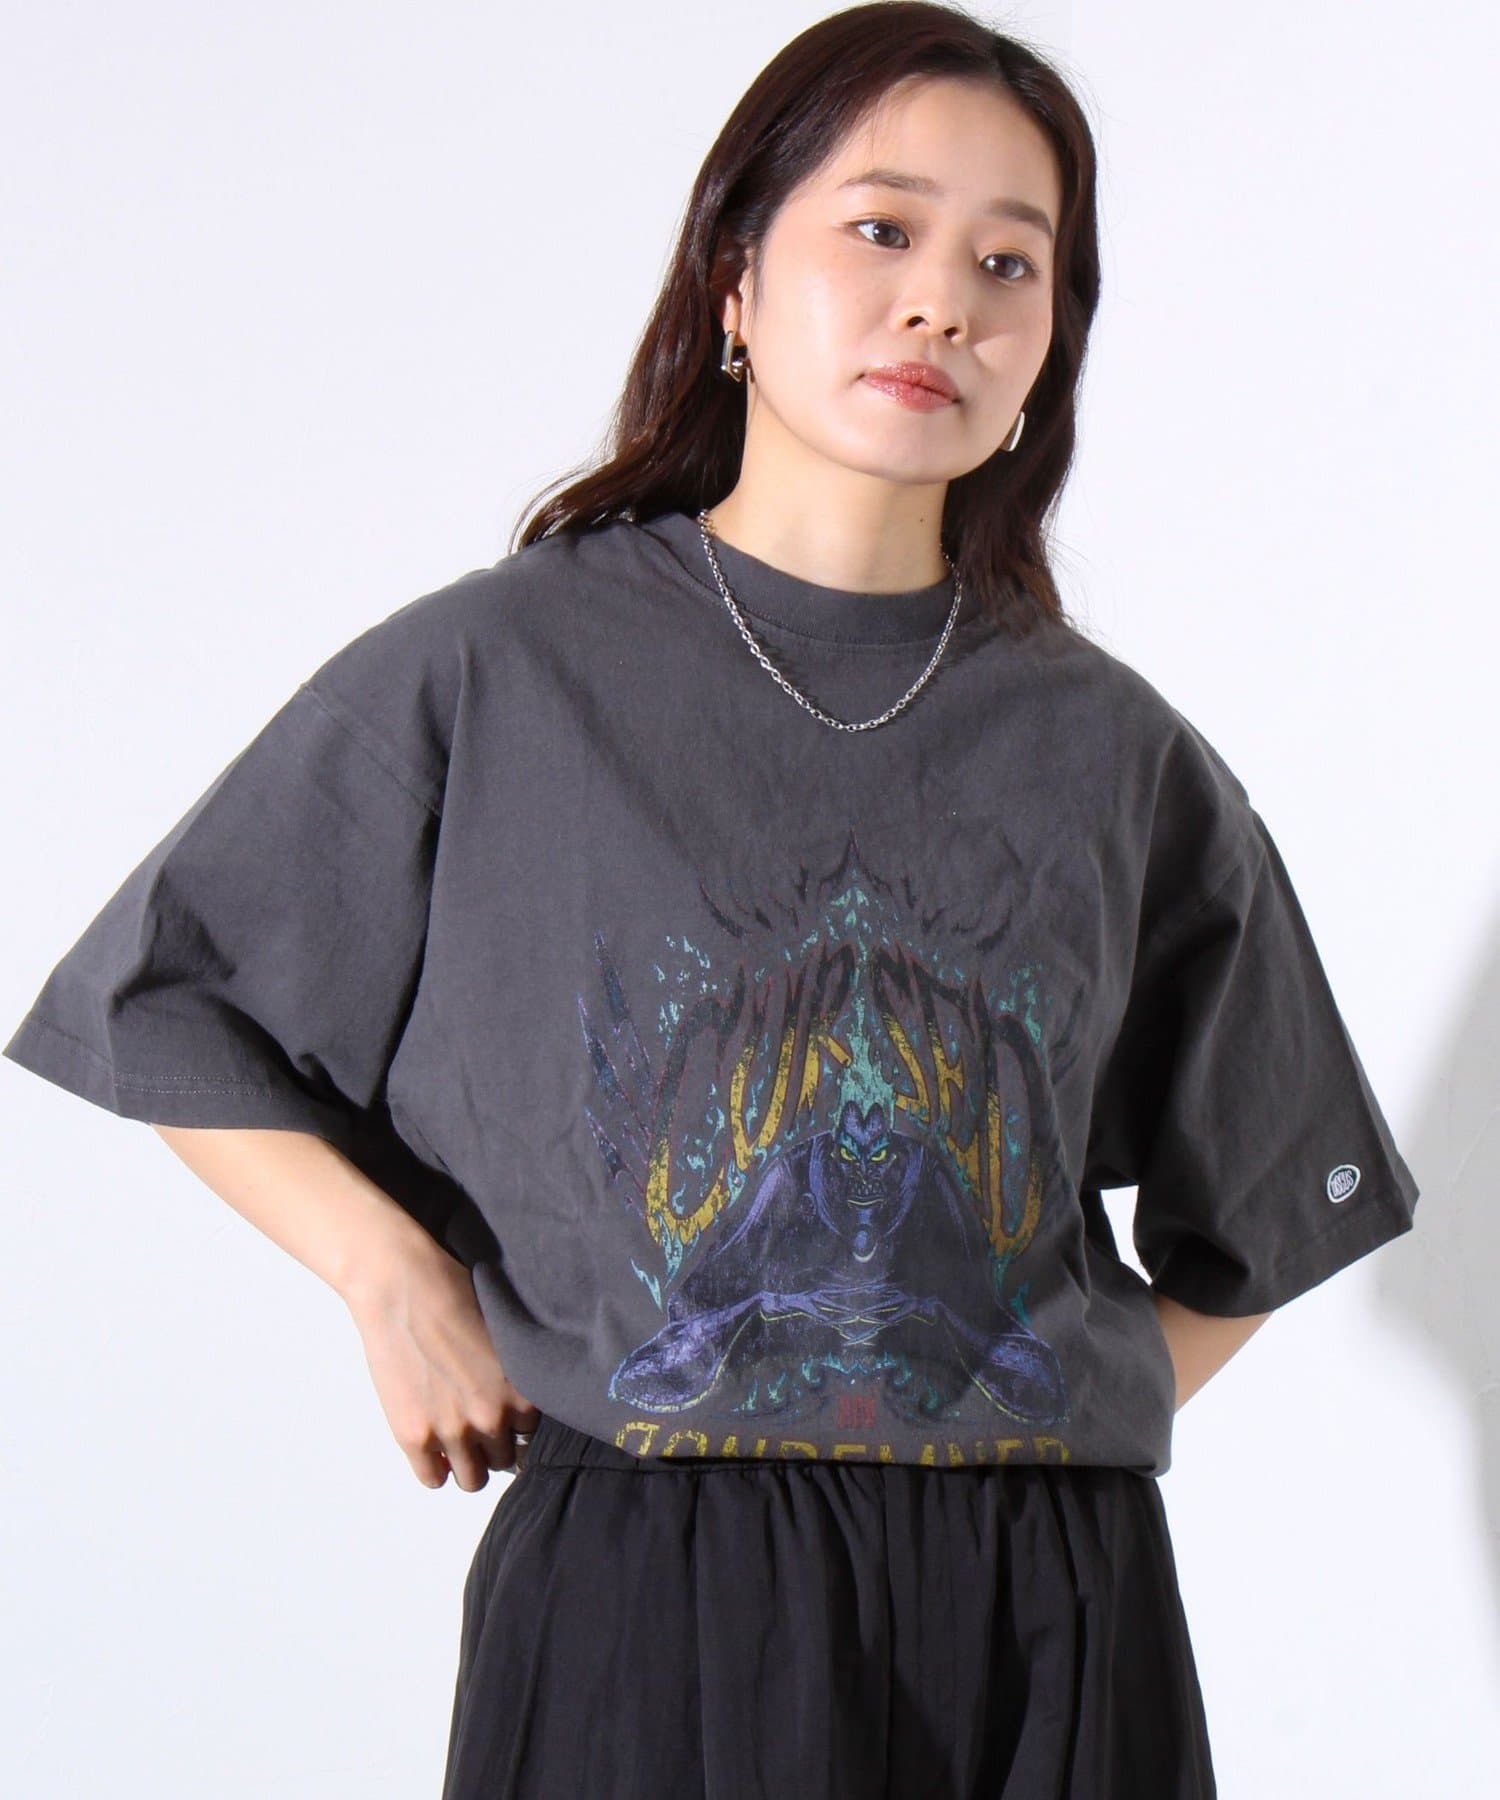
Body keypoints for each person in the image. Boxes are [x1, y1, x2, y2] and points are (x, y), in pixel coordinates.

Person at [3, 5, 1421, 1796]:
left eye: (1011, 263)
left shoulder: (1110, 746)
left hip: (1054, 1612)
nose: (942, 304)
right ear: (736, 281)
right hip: (650, 1585)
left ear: (1049, 347)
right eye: (883, 229)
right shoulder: (506, 670)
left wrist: (1045, 1405)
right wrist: (391, 1277)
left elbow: (1283, 1193)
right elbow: (170, 1000)